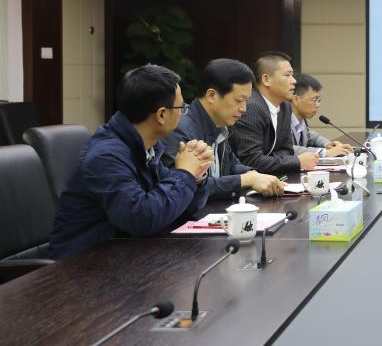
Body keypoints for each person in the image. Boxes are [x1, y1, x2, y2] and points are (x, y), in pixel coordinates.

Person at [50, 65, 212, 259]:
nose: (183, 112)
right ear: (161, 114)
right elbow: (142, 218)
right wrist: (185, 174)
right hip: (83, 264)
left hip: (124, 253)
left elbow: (179, 207)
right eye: (182, 108)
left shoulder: (147, 146)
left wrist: (196, 176)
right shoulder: (106, 156)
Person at [164, 58, 284, 200]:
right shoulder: (180, 129)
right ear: (212, 95)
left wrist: (254, 175)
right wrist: (246, 180)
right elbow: (186, 186)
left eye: (246, 101)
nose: (244, 109)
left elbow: (232, 164)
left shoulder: (220, 124)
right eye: (239, 100)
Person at [231, 52, 318, 175]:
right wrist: (297, 162)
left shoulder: (285, 106)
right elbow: (252, 160)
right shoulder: (252, 107)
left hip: (273, 176)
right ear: (266, 79)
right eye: (287, 75)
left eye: (292, 75)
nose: (294, 81)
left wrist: (274, 160)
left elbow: (286, 150)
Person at [291, 73, 353, 158]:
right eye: (314, 100)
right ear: (296, 100)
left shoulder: (301, 120)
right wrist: (324, 152)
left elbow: (310, 135)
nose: (317, 105)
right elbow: (286, 149)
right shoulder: (281, 120)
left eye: (319, 100)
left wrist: (328, 144)